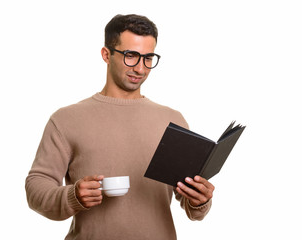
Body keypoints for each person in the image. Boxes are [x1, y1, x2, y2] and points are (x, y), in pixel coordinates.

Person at [25, 14, 215, 240]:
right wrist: (72, 196)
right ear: (106, 54)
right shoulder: (66, 119)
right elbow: (36, 188)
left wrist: (199, 199)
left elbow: (190, 202)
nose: (141, 68)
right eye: (131, 56)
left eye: (148, 58)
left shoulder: (173, 121)